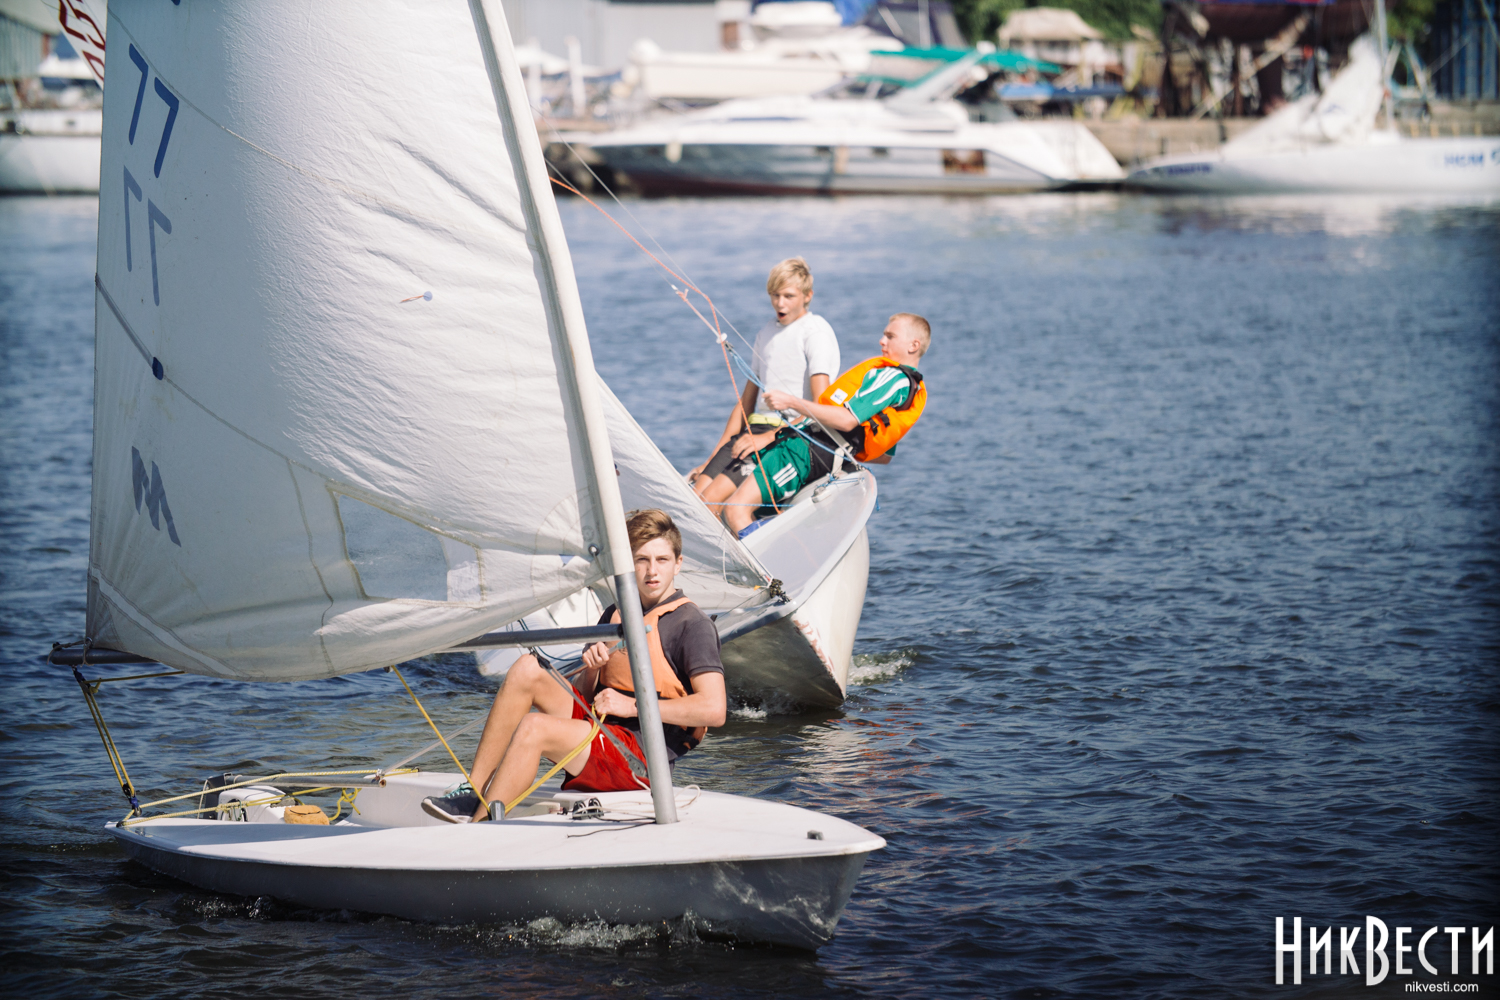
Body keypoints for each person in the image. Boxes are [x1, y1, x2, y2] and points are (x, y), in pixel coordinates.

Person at [421, 509, 727, 823]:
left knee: (534, 726)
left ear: (678, 563)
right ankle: (475, 789)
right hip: (601, 732)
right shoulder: (616, 612)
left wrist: (633, 706)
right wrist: (593, 667)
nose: (652, 571)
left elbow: (715, 710)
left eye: (662, 560)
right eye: (641, 560)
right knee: (527, 667)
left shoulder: (693, 625)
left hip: (639, 759)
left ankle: (481, 824)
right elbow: (586, 696)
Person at [720, 313, 931, 536]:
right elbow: (884, 456)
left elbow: (847, 420)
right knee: (750, 513)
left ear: (913, 345)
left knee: (735, 510)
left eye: (890, 336)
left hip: (805, 452)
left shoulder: (893, 378)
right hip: (820, 453)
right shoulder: (908, 390)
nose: (882, 341)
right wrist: (843, 452)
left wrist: (791, 402)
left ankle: (766, 560)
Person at [688, 257, 840, 517]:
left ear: (807, 296)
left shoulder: (815, 332)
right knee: (694, 499)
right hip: (753, 431)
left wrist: (768, 438)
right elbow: (746, 403)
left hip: (787, 434)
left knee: (711, 503)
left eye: (789, 296)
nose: (780, 303)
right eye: (775, 295)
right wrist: (711, 459)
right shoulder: (766, 332)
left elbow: (821, 404)